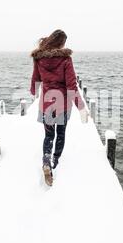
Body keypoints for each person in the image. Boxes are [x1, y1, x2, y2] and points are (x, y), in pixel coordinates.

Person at [30, 29, 86, 186]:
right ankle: (55, 161)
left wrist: (34, 92)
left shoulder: (39, 59)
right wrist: (81, 107)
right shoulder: (66, 59)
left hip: (47, 102)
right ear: (60, 43)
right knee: (60, 133)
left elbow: (36, 80)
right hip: (62, 103)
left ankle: (46, 161)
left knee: (48, 135)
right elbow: (71, 86)